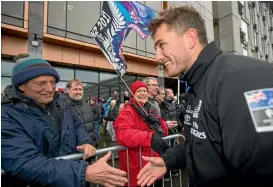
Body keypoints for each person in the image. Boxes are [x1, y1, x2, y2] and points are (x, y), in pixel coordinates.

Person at [137, 6, 273, 187]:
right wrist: (168, 160)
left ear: (190, 38)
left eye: (161, 45)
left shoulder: (238, 81)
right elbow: (203, 144)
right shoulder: (198, 84)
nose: (157, 57)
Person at [1, 54, 128, 187]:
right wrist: (82, 172)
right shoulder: (6, 115)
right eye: (41, 83)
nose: (50, 89)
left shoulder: (62, 103)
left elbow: (77, 125)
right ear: (22, 86)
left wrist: (85, 142)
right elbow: (26, 162)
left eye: (52, 82)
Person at [114, 80, 169, 187]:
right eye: (139, 91)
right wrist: (150, 138)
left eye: (144, 90)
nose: (143, 93)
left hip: (153, 163)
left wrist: (159, 123)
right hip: (136, 165)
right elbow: (123, 134)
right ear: (133, 94)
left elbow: (164, 131)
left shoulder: (151, 109)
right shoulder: (127, 111)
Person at [60, 79, 99, 147]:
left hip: (89, 148)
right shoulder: (62, 106)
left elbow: (91, 126)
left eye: (80, 89)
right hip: (73, 152)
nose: (78, 92)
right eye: (75, 89)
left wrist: (95, 141)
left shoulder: (87, 106)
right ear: (67, 90)